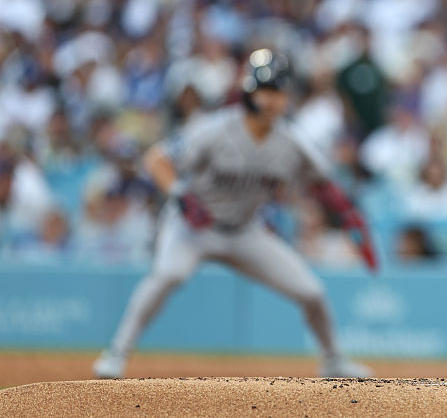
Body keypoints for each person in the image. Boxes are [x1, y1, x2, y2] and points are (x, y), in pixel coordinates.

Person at [93, 49, 375, 379]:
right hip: (193, 227)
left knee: (311, 292)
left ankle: (333, 360)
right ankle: (117, 351)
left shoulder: (291, 142)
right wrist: (179, 194)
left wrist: (353, 219)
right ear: (248, 91)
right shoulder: (214, 128)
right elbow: (157, 159)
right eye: (265, 90)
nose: (271, 100)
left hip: (244, 231)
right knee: (170, 274)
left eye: (278, 92)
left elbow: (324, 185)